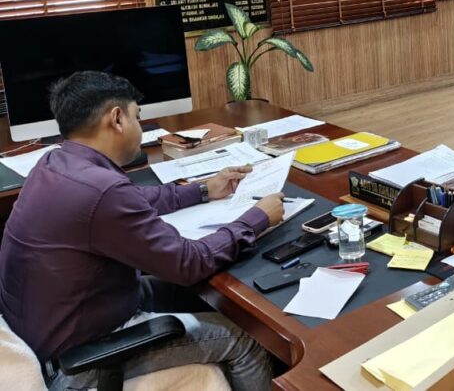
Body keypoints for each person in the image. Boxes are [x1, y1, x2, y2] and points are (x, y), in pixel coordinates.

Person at [0, 71, 283, 390]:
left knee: (203, 299)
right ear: (117, 119)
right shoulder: (102, 190)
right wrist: (257, 218)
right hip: (81, 359)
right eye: (137, 116)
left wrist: (204, 189)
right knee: (247, 340)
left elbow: (135, 199)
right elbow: (188, 263)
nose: (140, 126)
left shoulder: (54, 163)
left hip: (56, 328)